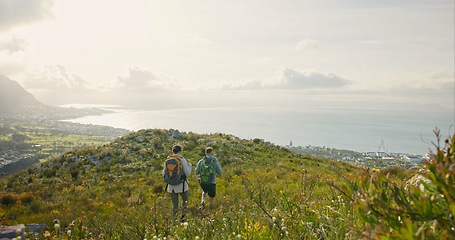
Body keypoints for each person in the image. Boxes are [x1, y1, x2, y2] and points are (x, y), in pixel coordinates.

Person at [162, 145, 192, 220]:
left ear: (173, 151)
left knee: (174, 205)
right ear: (181, 151)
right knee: (185, 202)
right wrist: (190, 167)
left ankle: (174, 219)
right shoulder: (182, 159)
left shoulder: (168, 160)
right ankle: (183, 217)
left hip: (171, 187)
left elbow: (163, 174)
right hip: (182, 186)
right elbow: (187, 174)